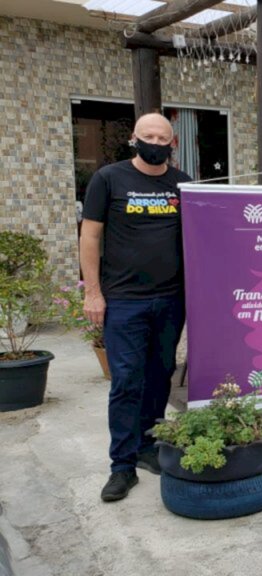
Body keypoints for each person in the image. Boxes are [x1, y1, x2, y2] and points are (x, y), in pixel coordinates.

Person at [80, 113, 192, 502]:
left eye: (163, 137)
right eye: (149, 136)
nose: (156, 142)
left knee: (160, 375)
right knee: (126, 380)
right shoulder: (109, 178)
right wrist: (93, 292)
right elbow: (90, 235)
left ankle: (148, 446)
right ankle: (121, 466)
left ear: (172, 142)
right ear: (134, 138)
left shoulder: (183, 183)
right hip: (124, 300)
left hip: (171, 298)